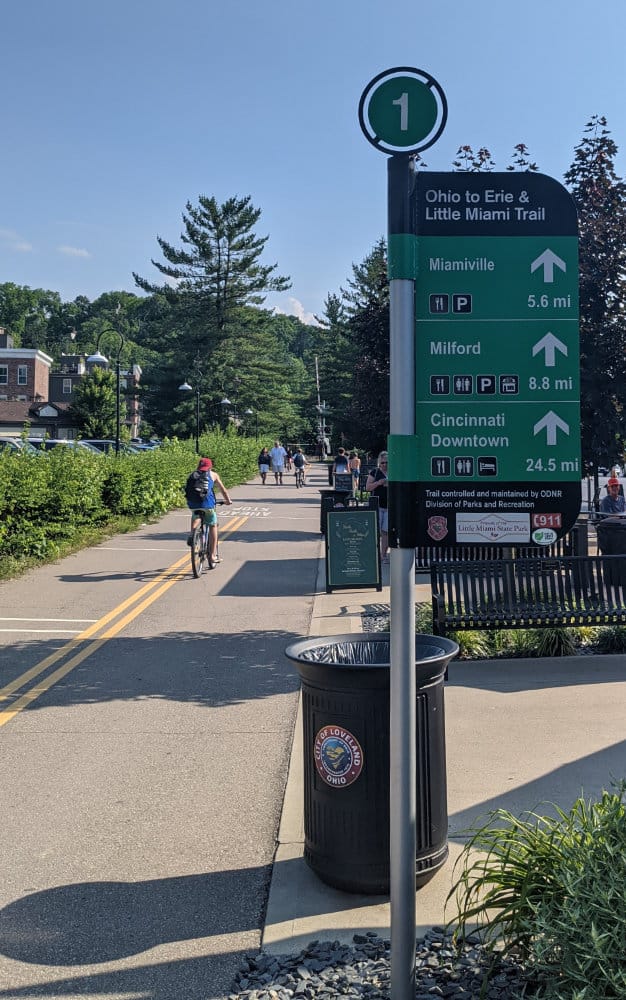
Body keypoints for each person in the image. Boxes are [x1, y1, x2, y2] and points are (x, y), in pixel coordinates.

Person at [185, 457, 232, 562]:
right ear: (210, 466)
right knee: (213, 525)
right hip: (208, 505)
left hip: (193, 504)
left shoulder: (192, 475)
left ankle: (192, 533)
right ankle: (212, 556)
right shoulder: (213, 475)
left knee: (196, 515)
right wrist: (228, 501)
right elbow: (223, 490)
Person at [365, 451, 389, 562]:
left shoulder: (394, 472)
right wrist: (378, 483)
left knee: (386, 532)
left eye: (387, 462)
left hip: (389, 507)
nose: (385, 465)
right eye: (382, 462)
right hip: (377, 506)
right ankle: (373, 554)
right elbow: (368, 488)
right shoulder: (374, 472)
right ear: (379, 463)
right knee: (376, 531)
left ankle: (383, 555)